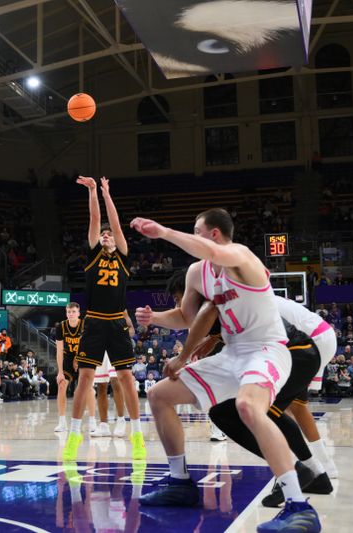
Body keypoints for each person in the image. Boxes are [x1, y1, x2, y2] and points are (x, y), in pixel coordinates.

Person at [131, 209, 320, 532]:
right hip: (231, 354)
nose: (193, 236)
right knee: (159, 395)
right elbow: (187, 317)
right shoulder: (196, 273)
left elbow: (214, 253)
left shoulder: (239, 255)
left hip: (266, 348)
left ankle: (299, 506)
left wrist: (164, 232)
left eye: (196, 231)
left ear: (214, 233)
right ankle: (180, 482)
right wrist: (155, 319)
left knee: (248, 406)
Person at [64, 176, 143, 462]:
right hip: (95, 321)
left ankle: (135, 432)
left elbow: (115, 222)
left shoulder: (122, 255)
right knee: (85, 378)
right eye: (104, 235)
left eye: (109, 235)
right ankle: (74, 434)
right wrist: (94, 192)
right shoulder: (94, 252)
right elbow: (95, 218)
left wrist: (109, 193)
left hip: (117, 322)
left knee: (125, 377)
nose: (107, 235)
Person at [54, 302, 97, 432]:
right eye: (69, 312)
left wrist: (77, 358)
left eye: (73, 312)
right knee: (61, 385)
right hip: (67, 358)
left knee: (88, 388)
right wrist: (60, 372)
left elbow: (88, 345)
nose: (71, 314)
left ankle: (92, 421)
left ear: (78, 313)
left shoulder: (85, 324)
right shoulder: (60, 326)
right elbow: (59, 350)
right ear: (66, 313)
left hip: (84, 356)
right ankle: (62, 422)